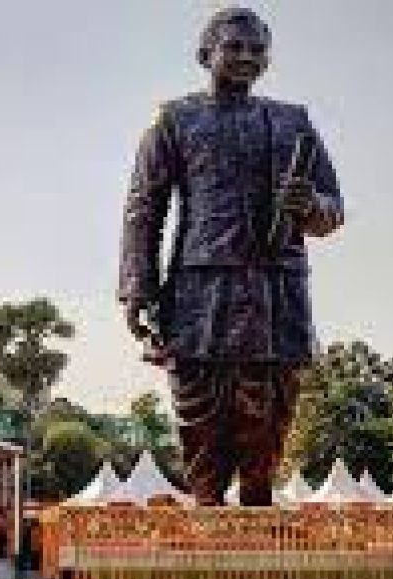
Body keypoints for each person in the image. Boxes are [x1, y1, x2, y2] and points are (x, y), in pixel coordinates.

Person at [119, 7, 344, 505]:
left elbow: (334, 208)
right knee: (202, 409)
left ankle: (259, 506)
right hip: (200, 289)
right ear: (205, 54)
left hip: (275, 287)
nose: (246, 57)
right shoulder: (175, 118)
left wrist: (309, 206)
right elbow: (144, 207)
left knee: (272, 407)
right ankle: (206, 508)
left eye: (257, 49)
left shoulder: (293, 121)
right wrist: (137, 287)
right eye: (234, 47)